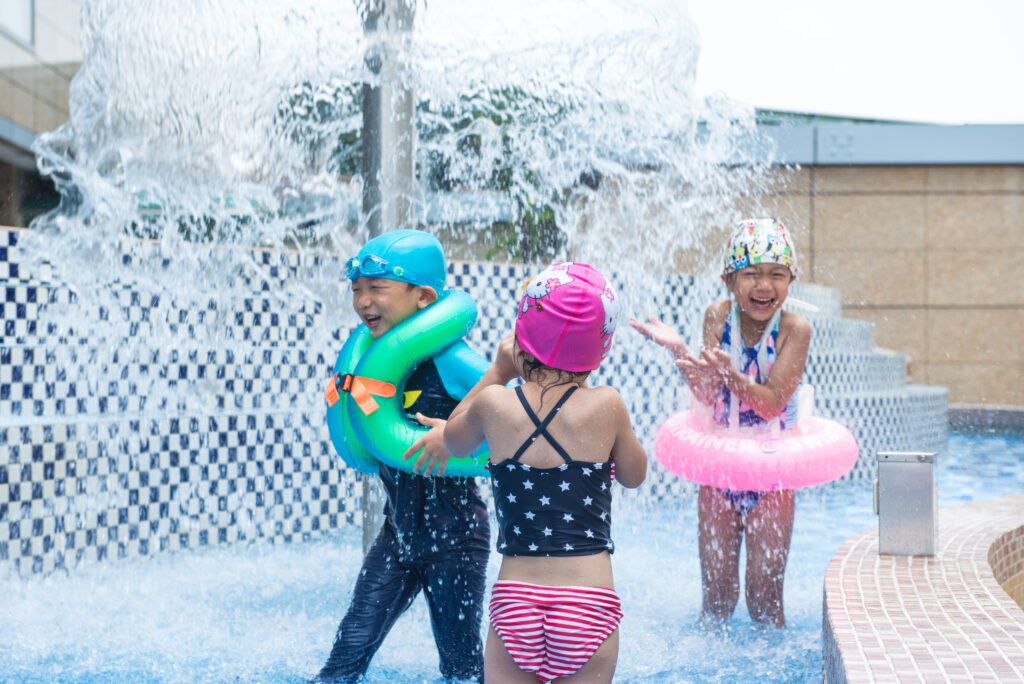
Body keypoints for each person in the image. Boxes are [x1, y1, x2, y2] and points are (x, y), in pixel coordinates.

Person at [444, 261, 647, 683]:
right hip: (586, 604)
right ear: (599, 350)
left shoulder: (495, 403)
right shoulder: (607, 406)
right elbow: (634, 474)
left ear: (521, 339)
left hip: (515, 601)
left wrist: (498, 372)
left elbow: (453, 440)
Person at [316, 229, 490, 683]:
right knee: (347, 652)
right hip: (399, 533)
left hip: (456, 538)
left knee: (460, 667)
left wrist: (453, 435)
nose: (362, 300)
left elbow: (516, 417)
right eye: (356, 289)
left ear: (423, 297)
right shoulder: (372, 358)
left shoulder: (451, 359)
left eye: (377, 288)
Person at [630, 217, 811, 628]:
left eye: (776, 275)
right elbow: (710, 397)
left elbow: (771, 405)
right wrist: (678, 350)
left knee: (765, 599)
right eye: (751, 274)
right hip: (721, 470)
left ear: (791, 279)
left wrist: (731, 375)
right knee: (717, 599)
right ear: (729, 280)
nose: (764, 286)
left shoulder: (795, 330)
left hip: (771, 474)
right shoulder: (718, 316)